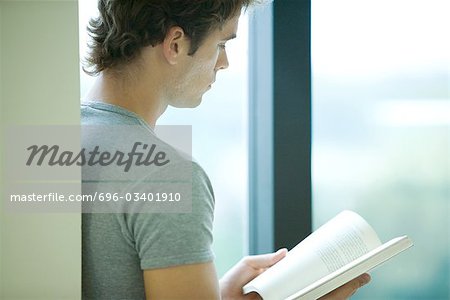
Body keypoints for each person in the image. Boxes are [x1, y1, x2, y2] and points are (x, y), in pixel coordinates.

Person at [81, 0, 371, 299]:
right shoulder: (167, 175)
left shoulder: (45, 147)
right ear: (176, 44)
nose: (225, 62)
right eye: (221, 43)